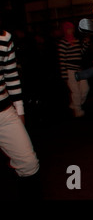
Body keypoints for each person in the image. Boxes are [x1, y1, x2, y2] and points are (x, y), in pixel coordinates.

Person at [0, 28, 41, 199]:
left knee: (29, 164)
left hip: (4, 111)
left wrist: (20, 110)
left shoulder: (5, 37)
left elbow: (11, 75)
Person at [57, 21, 90, 117]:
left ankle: (75, 105)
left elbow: (80, 53)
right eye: (69, 29)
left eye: (72, 29)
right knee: (75, 91)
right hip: (70, 70)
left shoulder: (76, 41)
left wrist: (85, 44)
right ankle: (77, 110)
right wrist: (65, 75)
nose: (71, 31)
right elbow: (62, 60)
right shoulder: (63, 43)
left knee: (85, 89)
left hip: (79, 69)